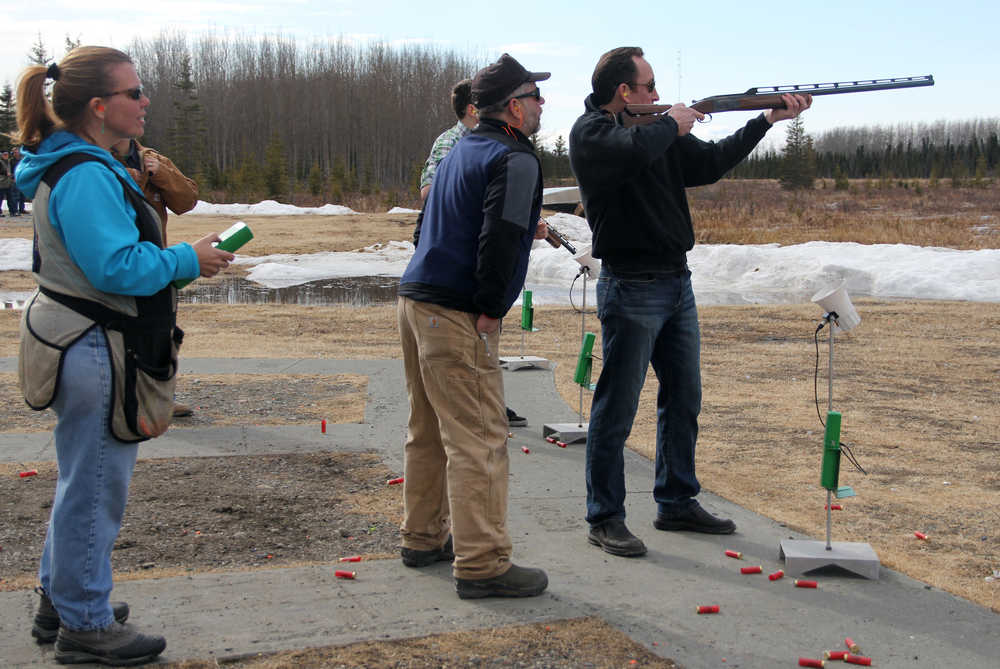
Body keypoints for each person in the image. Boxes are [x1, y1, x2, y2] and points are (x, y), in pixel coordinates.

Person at [13, 46, 234, 665]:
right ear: (99, 107)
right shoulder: (85, 173)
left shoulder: (82, 164)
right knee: (96, 487)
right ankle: (84, 625)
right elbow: (114, 267)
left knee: (82, 480)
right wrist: (187, 259)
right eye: (135, 93)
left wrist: (187, 259)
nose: (145, 103)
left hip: (82, 339)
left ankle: (64, 600)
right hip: (93, 348)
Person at [569, 46, 811, 557]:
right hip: (631, 284)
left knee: (684, 399)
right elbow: (631, 152)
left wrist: (766, 119)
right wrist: (673, 123)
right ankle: (605, 516)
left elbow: (710, 165)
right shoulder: (593, 133)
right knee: (616, 407)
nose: (657, 95)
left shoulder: (659, 132)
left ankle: (677, 500)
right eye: (649, 86)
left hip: (677, 282)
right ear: (623, 92)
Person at [396, 53, 550, 599]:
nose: (541, 105)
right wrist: (492, 305)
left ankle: (422, 536)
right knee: (480, 438)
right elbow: (504, 237)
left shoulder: (463, 146)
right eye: (535, 96)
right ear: (513, 105)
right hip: (456, 311)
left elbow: (429, 223)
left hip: (417, 300)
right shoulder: (515, 158)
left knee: (427, 430)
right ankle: (483, 563)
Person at [415, 79, 529, 428]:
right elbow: (429, 191)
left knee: (485, 350)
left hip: (472, 272)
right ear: (471, 109)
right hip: (455, 274)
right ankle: (483, 404)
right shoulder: (452, 143)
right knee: (470, 432)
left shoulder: (488, 144)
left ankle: (492, 399)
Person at [110, 136, 199, 418]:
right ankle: (118, 398)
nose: (142, 106)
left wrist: (162, 174)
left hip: (155, 261)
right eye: (133, 97)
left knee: (160, 331)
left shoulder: (152, 157)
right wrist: (130, 181)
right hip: (119, 261)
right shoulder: (94, 161)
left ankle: (159, 398)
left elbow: (187, 200)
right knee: (118, 333)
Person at [0, 149, 14, 216]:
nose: (6, 156)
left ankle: (12, 212)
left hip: (8, 183)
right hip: (1, 183)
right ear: (1, 155)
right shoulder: (0, 162)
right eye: (4, 155)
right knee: (0, 199)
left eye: (7, 154)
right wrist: (6, 173)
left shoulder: (9, 162)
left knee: (11, 198)